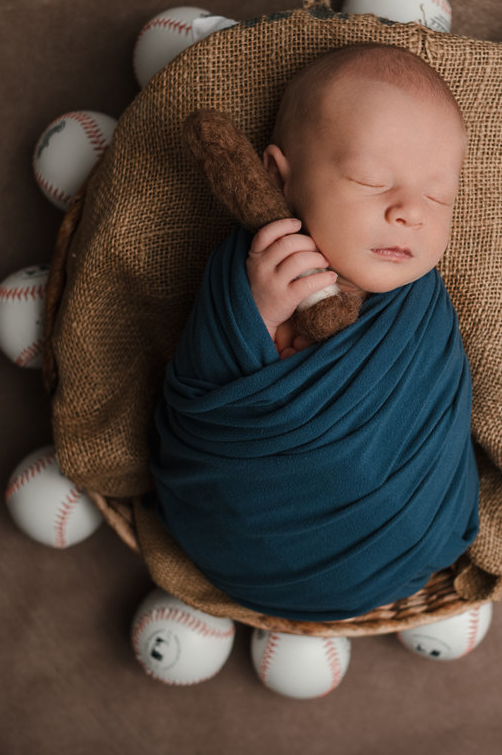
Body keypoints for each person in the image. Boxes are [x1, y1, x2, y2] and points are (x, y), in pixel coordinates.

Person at [150, 43, 480, 621]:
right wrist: (255, 315)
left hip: (413, 544)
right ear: (281, 176)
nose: (411, 212)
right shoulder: (251, 271)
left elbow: (439, 413)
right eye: (372, 180)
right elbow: (204, 390)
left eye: (438, 195)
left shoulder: (420, 308)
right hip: (248, 542)